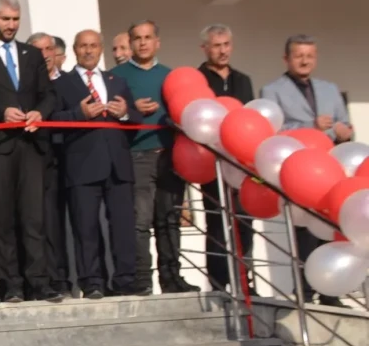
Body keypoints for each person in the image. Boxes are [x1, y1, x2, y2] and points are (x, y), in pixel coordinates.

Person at [0, 0, 59, 303]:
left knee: (34, 218)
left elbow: (48, 94)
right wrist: (1, 112)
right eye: (6, 19)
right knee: (2, 219)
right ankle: (11, 285)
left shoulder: (32, 54)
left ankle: (39, 283)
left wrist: (40, 112)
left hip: (31, 146)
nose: (11, 25)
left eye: (16, 19)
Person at [261, 34, 353, 307]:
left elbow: (345, 125)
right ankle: (305, 291)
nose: (305, 61)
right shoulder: (272, 91)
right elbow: (274, 132)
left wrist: (343, 131)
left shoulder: (329, 88)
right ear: (286, 59)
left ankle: (330, 292)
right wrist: (311, 127)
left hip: (330, 170)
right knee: (304, 232)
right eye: (299, 55)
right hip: (298, 171)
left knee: (331, 229)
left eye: (309, 56)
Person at [112, 21, 198, 296]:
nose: (143, 43)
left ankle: (172, 278)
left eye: (148, 37)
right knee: (140, 222)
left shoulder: (171, 76)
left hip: (170, 156)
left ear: (157, 42)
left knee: (169, 220)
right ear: (130, 43)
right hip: (136, 156)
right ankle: (142, 280)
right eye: (137, 38)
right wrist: (132, 109)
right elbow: (110, 114)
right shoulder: (116, 77)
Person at [52, 30, 138, 299]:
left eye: (93, 46)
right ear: (74, 50)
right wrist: (79, 114)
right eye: (83, 46)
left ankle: (126, 280)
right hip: (82, 165)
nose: (88, 51)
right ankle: (92, 282)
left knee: (123, 226)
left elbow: (135, 119)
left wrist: (125, 114)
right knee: (85, 227)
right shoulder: (61, 84)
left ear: (101, 49)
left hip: (118, 164)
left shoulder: (117, 81)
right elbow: (52, 120)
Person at [198, 24, 256, 295]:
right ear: (205, 48)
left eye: (226, 44)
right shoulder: (198, 80)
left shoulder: (243, 80)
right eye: (217, 45)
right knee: (217, 226)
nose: (223, 51)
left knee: (244, 224)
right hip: (210, 163)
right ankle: (219, 284)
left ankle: (246, 284)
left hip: (242, 164)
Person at [28, 31, 72, 298]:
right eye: (38, 50)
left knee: (63, 224)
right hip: (36, 158)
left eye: (48, 49)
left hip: (68, 158)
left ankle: (66, 279)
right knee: (42, 222)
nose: (44, 55)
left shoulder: (69, 82)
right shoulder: (25, 84)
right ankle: (48, 281)